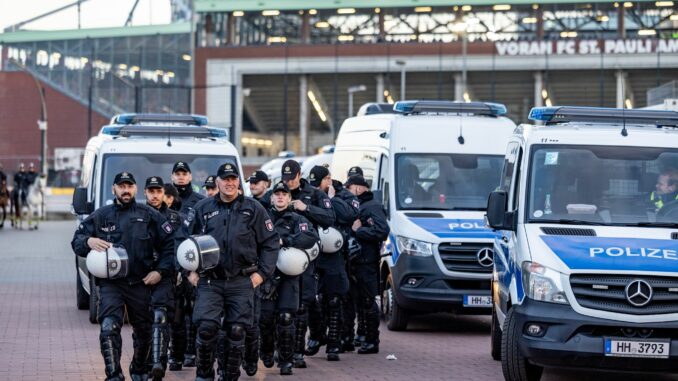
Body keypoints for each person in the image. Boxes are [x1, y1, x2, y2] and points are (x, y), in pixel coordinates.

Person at [71, 172, 175, 381]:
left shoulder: (149, 215)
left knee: (145, 331)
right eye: (121, 186)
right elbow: (77, 240)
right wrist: (89, 241)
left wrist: (160, 271)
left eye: (129, 186)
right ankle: (113, 375)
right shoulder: (101, 215)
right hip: (112, 285)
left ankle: (139, 369)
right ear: (114, 189)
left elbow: (171, 245)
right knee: (109, 326)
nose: (125, 190)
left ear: (136, 189)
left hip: (141, 283)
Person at [189, 163, 280, 381]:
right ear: (217, 182)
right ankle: (204, 375)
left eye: (233, 179)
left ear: (239, 182)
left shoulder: (254, 209)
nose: (230, 183)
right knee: (207, 328)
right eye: (225, 179)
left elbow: (270, 242)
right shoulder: (203, 208)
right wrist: (188, 271)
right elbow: (185, 241)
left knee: (237, 331)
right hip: (210, 281)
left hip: (242, 280)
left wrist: (261, 275)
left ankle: (229, 376)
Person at [263, 159, 335, 368]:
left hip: (303, 259)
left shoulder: (314, 194)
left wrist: (307, 208)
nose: (288, 184)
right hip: (271, 265)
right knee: (268, 315)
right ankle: (273, 350)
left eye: (291, 179)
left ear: (299, 175)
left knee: (299, 307)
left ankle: (296, 353)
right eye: (284, 180)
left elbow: (330, 219)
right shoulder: (270, 200)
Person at [259, 181, 319, 375]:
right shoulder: (262, 218)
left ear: (289, 198)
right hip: (267, 275)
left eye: (284, 194)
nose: (280, 197)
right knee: (266, 318)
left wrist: (287, 240)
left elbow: (310, 237)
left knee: (286, 318)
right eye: (277, 194)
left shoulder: (297, 219)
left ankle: (286, 361)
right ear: (271, 197)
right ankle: (267, 351)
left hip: (289, 276)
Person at [306, 165, 360, 361]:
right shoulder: (308, 194)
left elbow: (350, 215)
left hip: (334, 256)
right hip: (313, 254)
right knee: (310, 299)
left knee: (334, 300)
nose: (315, 188)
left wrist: (330, 199)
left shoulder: (343, 195)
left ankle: (334, 344)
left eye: (318, 183)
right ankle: (317, 335)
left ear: (328, 180)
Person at [143, 176, 188, 380]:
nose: (154, 195)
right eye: (151, 191)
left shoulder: (175, 218)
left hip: (166, 275)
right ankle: (143, 362)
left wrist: (178, 271)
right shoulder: (137, 214)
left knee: (162, 317)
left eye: (158, 191)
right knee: (142, 322)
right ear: (145, 192)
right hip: (139, 278)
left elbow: (180, 247)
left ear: (164, 194)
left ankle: (159, 362)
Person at [346, 174, 390, 354]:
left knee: (368, 301)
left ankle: (372, 341)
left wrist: (359, 230)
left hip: (367, 262)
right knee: (357, 302)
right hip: (355, 261)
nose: (348, 192)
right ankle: (361, 336)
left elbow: (382, 231)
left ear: (357, 188)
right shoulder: (359, 205)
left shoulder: (373, 206)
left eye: (350, 188)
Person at [170, 161, 204, 368]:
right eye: (177, 174)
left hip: (193, 267)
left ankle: (192, 352)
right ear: (172, 176)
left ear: (190, 177)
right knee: (176, 314)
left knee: (193, 312)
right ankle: (176, 354)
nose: (181, 177)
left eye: (184, 174)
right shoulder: (167, 200)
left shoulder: (199, 202)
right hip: (173, 266)